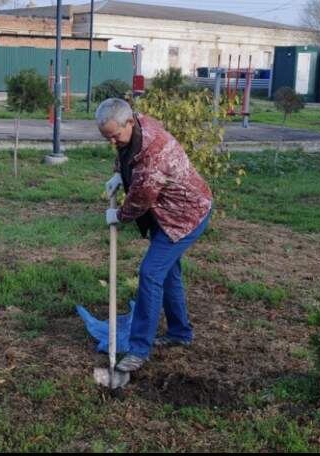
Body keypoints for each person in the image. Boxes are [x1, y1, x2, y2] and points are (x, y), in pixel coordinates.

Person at [95, 97, 213, 373]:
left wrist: (120, 215)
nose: (112, 142)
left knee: (149, 273)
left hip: (186, 215)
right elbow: (126, 157)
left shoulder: (153, 153)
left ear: (128, 122)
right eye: (107, 138)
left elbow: (140, 199)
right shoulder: (135, 127)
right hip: (167, 212)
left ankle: (138, 350)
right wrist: (118, 174)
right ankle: (179, 334)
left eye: (114, 136)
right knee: (167, 273)